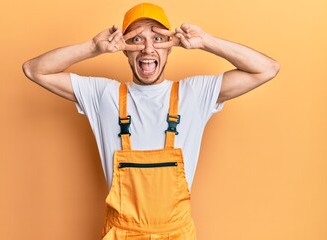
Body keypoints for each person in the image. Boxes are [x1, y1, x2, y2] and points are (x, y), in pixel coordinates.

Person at [22, 2, 280, 239]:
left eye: (157, 38)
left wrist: (206, 41)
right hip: (120, 234)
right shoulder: (103, 95)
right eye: (136, 39)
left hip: (177, 234)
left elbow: (267, 68)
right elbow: (34, 69)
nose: (147, 48)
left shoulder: (195, 94)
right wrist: (92, 47)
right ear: (124, 49)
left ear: (171, 46)